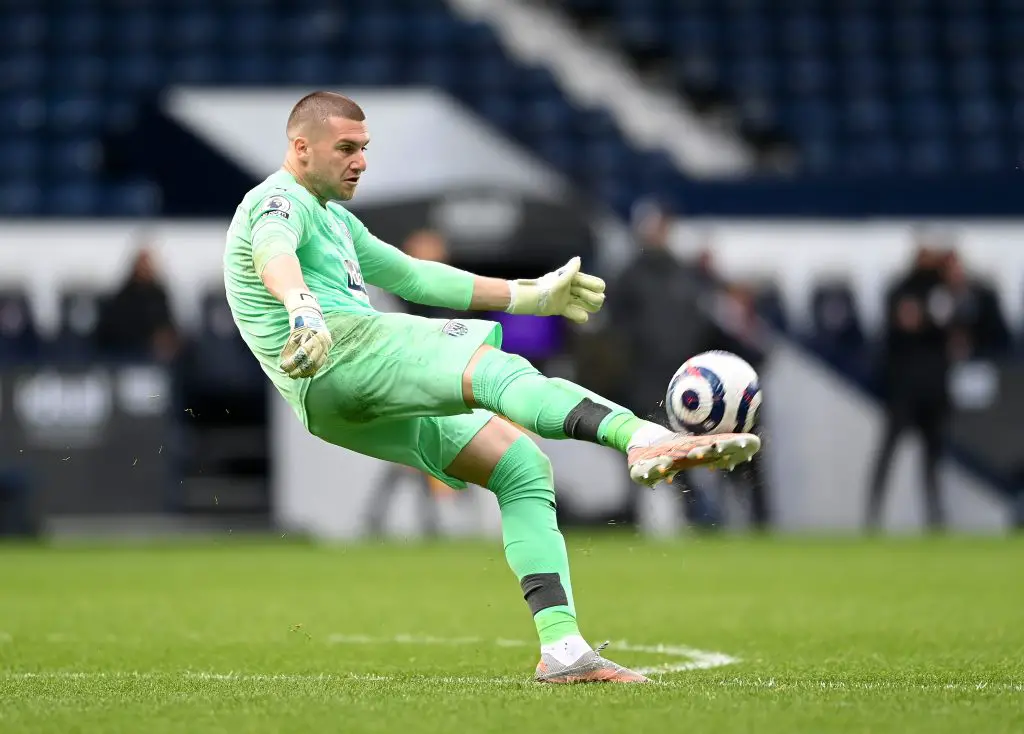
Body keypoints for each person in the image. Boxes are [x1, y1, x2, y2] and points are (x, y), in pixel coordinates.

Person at [223, 91, 760, 684]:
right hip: (342, 347)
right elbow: (273, 252)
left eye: (365, 149)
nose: (361, 161)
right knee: (501, 373)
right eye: (346, 149)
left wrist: (532, 296)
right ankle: (643, 437)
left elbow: (414, 275)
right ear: (300, 148)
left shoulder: (334, 217)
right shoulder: (276, 199)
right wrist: (301, 307)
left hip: (326, 402)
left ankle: (562, 650)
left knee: (519, 466)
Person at [866, 242, 953, 531]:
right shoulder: (901, 290)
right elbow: (895, 331)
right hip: (905, 387)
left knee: (931, 459)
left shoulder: (942, 290)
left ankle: (935, 516)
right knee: (888, 454)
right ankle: (873, 515)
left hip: (932, 387)